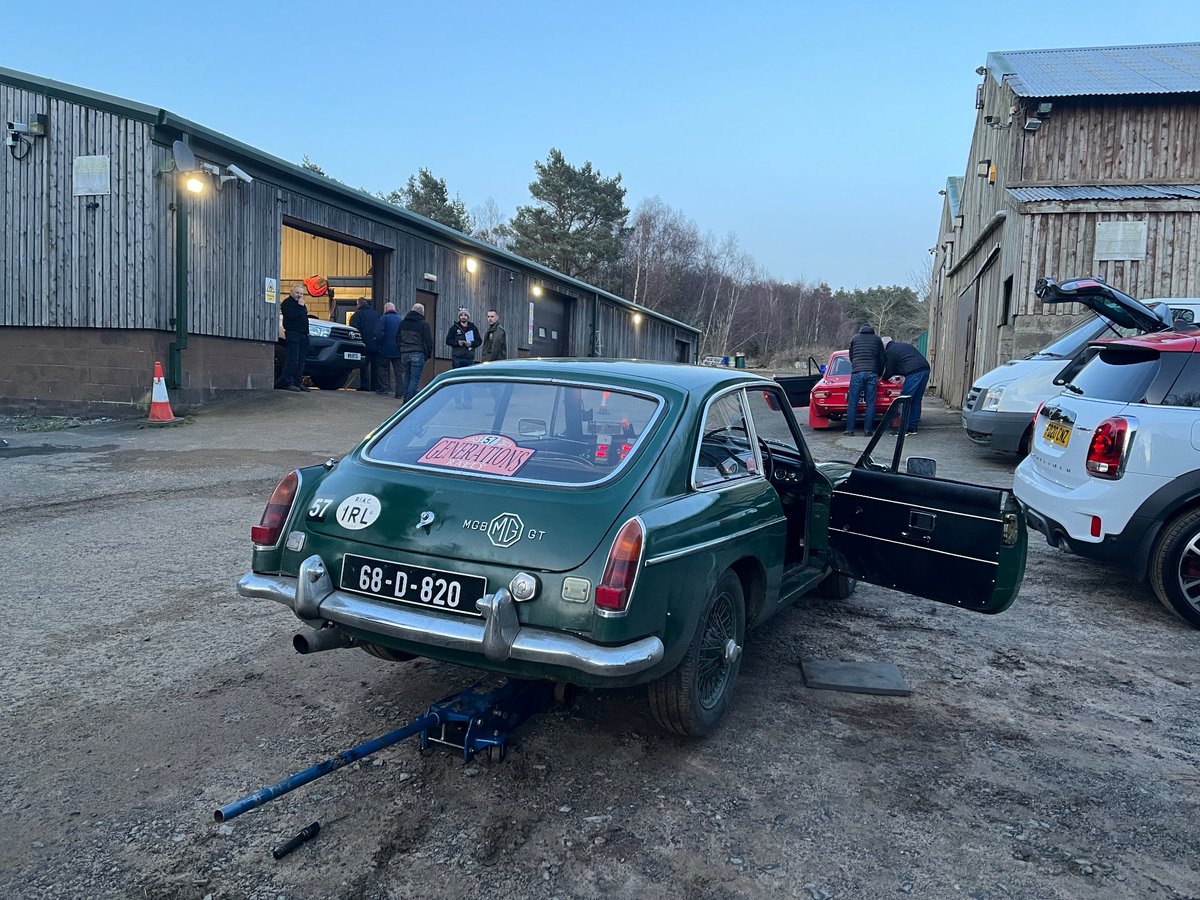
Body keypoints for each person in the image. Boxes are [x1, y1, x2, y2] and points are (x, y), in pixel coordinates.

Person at [883, 336, 931, 434]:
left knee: (905, 399)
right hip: (925, 369)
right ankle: (912, 427)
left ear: (884, 345)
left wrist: (883, 378)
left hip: (914, 373)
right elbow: (906, 361)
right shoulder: (904, 346)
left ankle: (902, 429)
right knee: (916, 400)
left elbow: (890, 370)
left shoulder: (890, 351)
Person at [844, 324, 885, 435]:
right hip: (872, 373)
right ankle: (868, 430)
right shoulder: (877, 340)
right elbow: (882, 358)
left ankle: (850, 430)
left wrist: (856, 366)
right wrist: (879, 373)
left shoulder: (854, 339)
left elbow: (851, 356)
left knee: (852, 402)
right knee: (870, 403)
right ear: (872, 331)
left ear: (861, 331)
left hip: (857, 373)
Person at [396, 301, 434, 402]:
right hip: (418, 352)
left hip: (404, 353)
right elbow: (428, 341)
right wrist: (428, 355)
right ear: (422, 312)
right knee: (414, 379)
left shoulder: (402, 323)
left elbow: (397, 338)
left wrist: (401, 349)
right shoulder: (424, 324)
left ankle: (405, 399)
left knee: (407, 377)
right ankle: (410, 401)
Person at [280, 284, 310, 392]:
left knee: (301, 361)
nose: (299, 295)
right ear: (292, 291)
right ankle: (287, 382)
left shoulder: (301, 304)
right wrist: (301, 307)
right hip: (293, 333)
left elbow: (304, 317)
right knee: (293, 360)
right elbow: (293, 316)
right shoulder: (287, 303)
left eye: (301, 293)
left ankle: (297, 382)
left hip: (303, 335)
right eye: (297, 293)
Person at [349, 297, 381, 392]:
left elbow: (354, 330)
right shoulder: (377, 314)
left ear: (359, 304)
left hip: (363, 344)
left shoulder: (357, 314)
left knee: (363, 366)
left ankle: (365, 386)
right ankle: (375, 386)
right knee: (375, 367)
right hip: (376, 344)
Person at [374, 301, 402, 396]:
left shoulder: (383, 318)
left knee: (382, 368)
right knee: (399, 372)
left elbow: (378, 333)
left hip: (384, 349)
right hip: (398, 349)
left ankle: (383, 389)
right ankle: (399, 392)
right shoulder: (400, 319)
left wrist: (378, 343)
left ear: (385, 309)